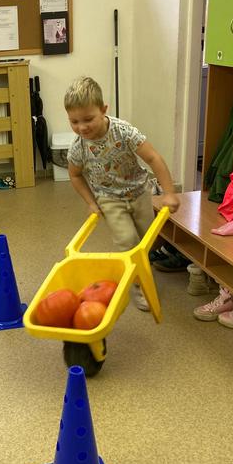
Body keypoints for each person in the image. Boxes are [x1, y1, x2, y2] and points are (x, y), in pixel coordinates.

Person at [65, 76, 180, 310]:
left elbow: (153, 158)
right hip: (109, 198)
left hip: (139, 191)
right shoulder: (79, 147)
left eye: (88, 119)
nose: (82, 127)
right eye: (74, 121)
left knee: (147, 240)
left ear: (103, 110)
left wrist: (169, 192)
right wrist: (91, 202)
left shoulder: (123, 131)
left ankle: (146, 265)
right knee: (128, 241)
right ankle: (139, 285)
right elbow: (75, 175)